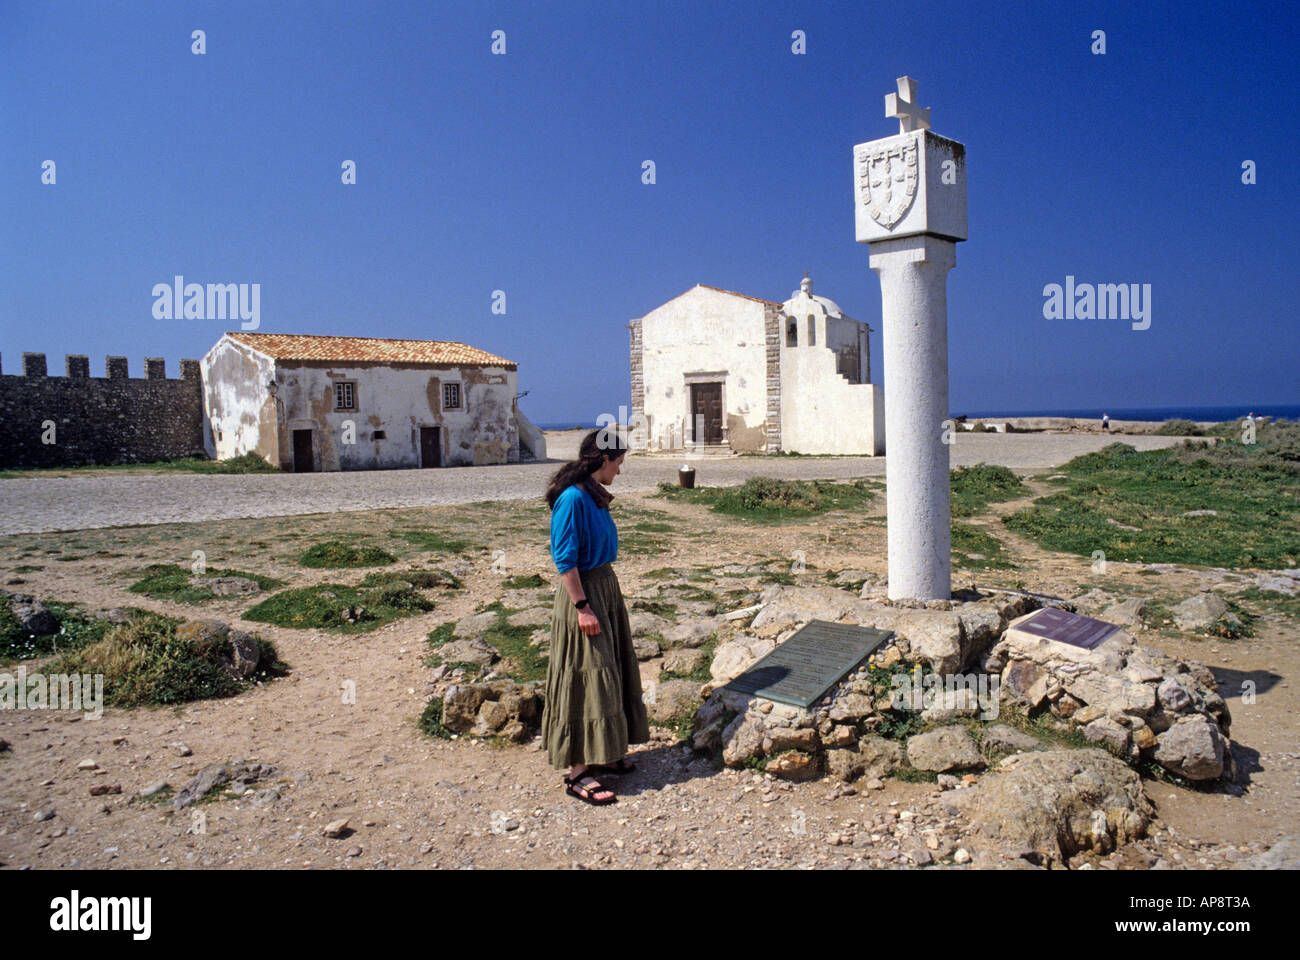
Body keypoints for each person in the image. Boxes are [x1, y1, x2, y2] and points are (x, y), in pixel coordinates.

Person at [540, 427, 650, 805]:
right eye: (618, 462)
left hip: (604, 588)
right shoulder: (572, 499)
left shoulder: (594, 495)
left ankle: (604, 752)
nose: (620, 470)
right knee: (586, 674)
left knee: (611, 668)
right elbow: (565, 561)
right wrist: (582, 608)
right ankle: (577, 773)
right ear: (604, 459)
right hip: (584, 593)